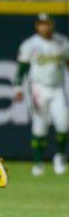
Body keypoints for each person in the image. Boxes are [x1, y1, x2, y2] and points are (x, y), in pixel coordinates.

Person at [13, 14, 69, 176]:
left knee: (63, 123)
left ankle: (59, 156)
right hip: (38, 88)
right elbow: (22, 68)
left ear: (52, 25)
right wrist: (17, 88)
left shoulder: (62, 42)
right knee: (39, 126)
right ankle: (38, 163)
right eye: (41, 24)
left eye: (47, 24)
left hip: (58, 88)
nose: (44, 27)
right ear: (37, 26)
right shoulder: (30, 44)